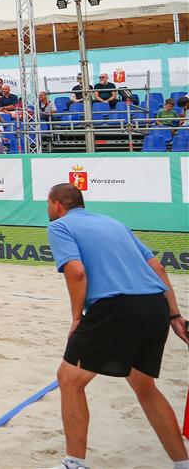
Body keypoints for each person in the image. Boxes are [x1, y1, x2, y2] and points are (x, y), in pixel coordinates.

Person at [44, 183, 188, 469]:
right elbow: (157, 268)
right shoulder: (114, 223)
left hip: (116, 308)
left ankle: (74, 463)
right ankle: (182, 463)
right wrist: (175, 316)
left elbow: (76, 271)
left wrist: (77, 317)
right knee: (144, 386)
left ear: (57, 204)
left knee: (69, 379)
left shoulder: (60, 226)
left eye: (48, 204)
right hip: (155, 306)